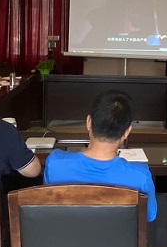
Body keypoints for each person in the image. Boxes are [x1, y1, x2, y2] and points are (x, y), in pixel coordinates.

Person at [43, 90, 157, 222]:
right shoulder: (140, 176)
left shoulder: (55, 164)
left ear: (88, 122)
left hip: (64, 235)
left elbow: (45, 208)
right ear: (127, 132)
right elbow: (149, 216)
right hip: (115, 236)